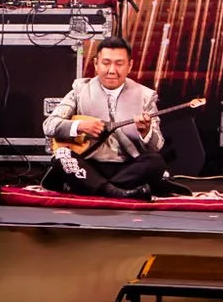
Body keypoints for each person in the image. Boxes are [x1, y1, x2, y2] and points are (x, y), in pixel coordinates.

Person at [42, 38, 166, 197]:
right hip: (88, 164)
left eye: (119, 64)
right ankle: (118, 192)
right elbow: (49, 125)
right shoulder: (80, 91)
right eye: (106, 63)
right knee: (62, 156)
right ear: (96, 64)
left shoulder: (145, 96)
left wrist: (145, 132)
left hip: (126, 167)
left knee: (156, 162)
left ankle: (95, 187)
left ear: (130, 66)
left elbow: (157, 146)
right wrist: (80, 126)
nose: (112, 70)